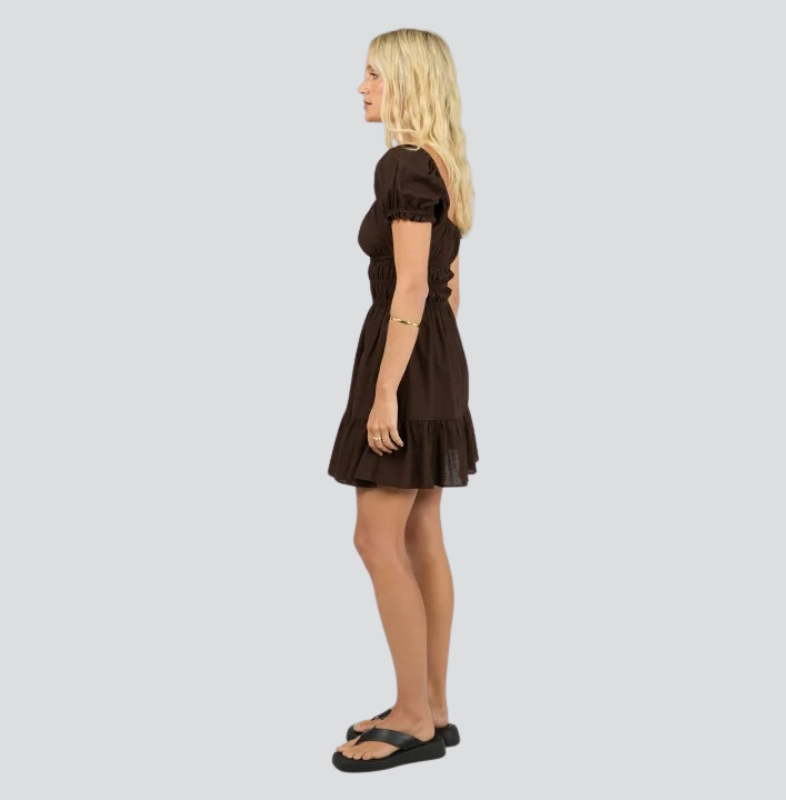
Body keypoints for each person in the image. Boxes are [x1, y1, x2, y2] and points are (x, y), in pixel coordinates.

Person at [328, 28, 479, 773]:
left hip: (406, 357)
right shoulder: (444, 163)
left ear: (407, 82)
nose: (362, 88)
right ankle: (430, 706)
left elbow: (415, 285)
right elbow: (450, 287)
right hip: (436, 355)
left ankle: (413, 715)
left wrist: (386, 390)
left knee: (376, 538)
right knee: (421, 533)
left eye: (374, 74)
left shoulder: (403, 164)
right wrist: (429, 369)